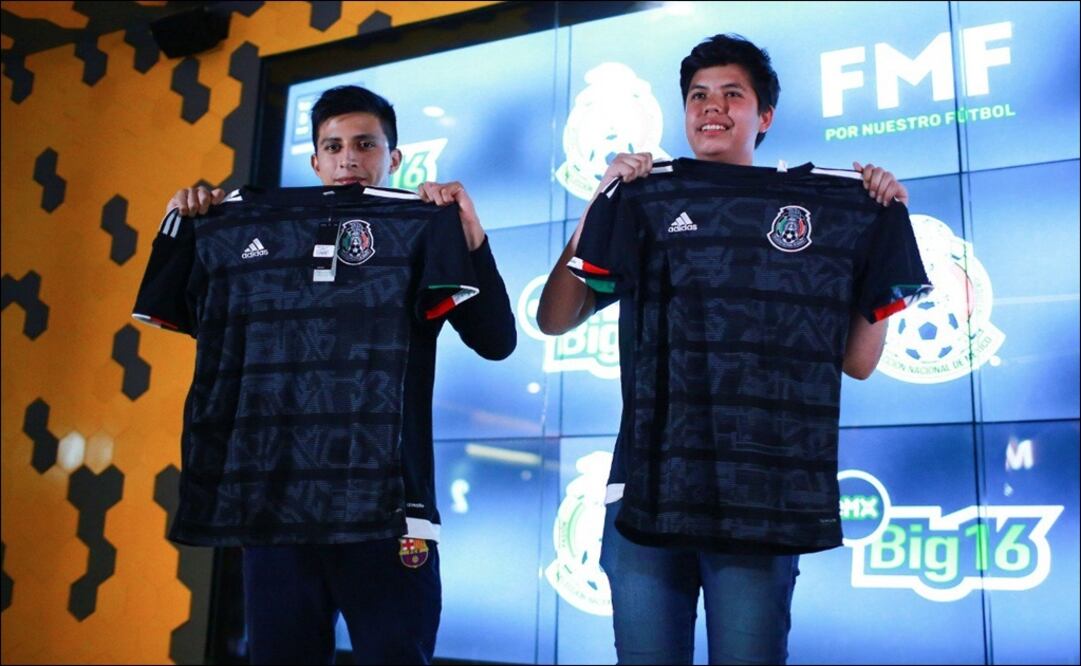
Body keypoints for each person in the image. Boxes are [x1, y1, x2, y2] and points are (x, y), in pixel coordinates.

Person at [537, 35, 930, 665]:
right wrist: (600, 203)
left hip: (763, 500)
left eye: (731, 94)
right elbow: (555, 318)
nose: (711, 107)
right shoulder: (645, 199)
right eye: (698, 96)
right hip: (644, 491)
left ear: (764, 116)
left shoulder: (829, 210)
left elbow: (858, 362)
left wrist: (880, 228)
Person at [138, 85, 516, 665]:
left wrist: (469, 235)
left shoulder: (420, 230)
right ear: (314, 162)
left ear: (394, 157)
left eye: (365, 144)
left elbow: (496, 342)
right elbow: (202, 321)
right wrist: (190, 222)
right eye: (333, 146)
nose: (348, 159)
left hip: (392, 513)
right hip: (276, 510)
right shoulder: (240, 235)